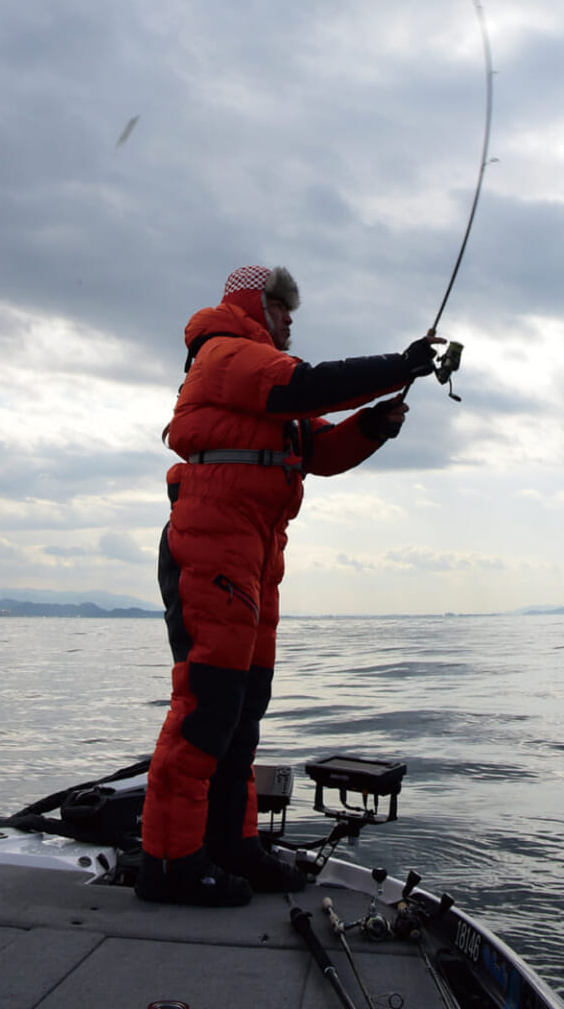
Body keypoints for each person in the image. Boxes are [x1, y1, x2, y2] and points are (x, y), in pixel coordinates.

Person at [137, 263, 442, 907]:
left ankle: (231, 845)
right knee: (208, 704)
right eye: (282, 308)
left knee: (245, 709)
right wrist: (401, 364)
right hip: (211, 540)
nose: (290, 320)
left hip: (254, 550)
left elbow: (323, 451)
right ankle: (170, 863)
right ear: (256, 304)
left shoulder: (264, 382)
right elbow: (308, 386)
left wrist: (376, 425)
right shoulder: (226, 355)